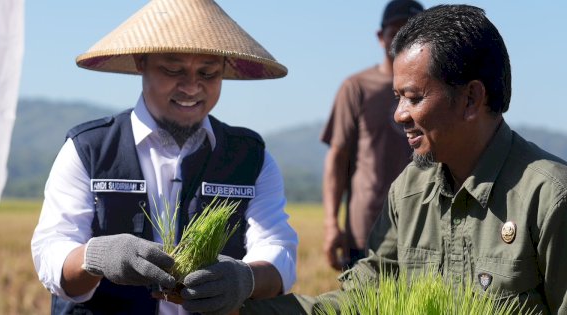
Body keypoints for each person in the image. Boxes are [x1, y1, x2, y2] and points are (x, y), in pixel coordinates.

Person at [239, 4, 567, 314]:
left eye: (413, 98)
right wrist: (242, 309)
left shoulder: (549, 198)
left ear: (471, 98)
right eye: (398, 98)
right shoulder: (410, 190)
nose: (399, 115)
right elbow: (367, 296)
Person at [30, 0, 298, 314]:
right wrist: (96, 257)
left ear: (225, 70)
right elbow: (52, 253)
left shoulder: (250, 157)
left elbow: (278, 249)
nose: (191, 87)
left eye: (208, 73)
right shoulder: (89, 149)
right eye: (173, 70)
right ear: (140, 61)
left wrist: (246, 278)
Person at [321, 0, 421, 270]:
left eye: (413, 34)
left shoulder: (435, 92)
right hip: (366, 230)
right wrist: (331, 223)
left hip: (422, 231)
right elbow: (338, 158)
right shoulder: (357, 88)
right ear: (380, 37)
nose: (403, 42)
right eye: (395, 33)